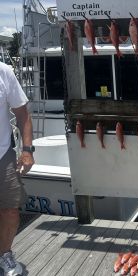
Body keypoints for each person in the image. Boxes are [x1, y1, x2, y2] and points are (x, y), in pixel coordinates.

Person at [0, 61, 34, 276]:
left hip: (2, 155)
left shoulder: (4, 71)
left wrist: (27, 150)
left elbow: (22, 115)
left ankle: (5, 254)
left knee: (11, 210)